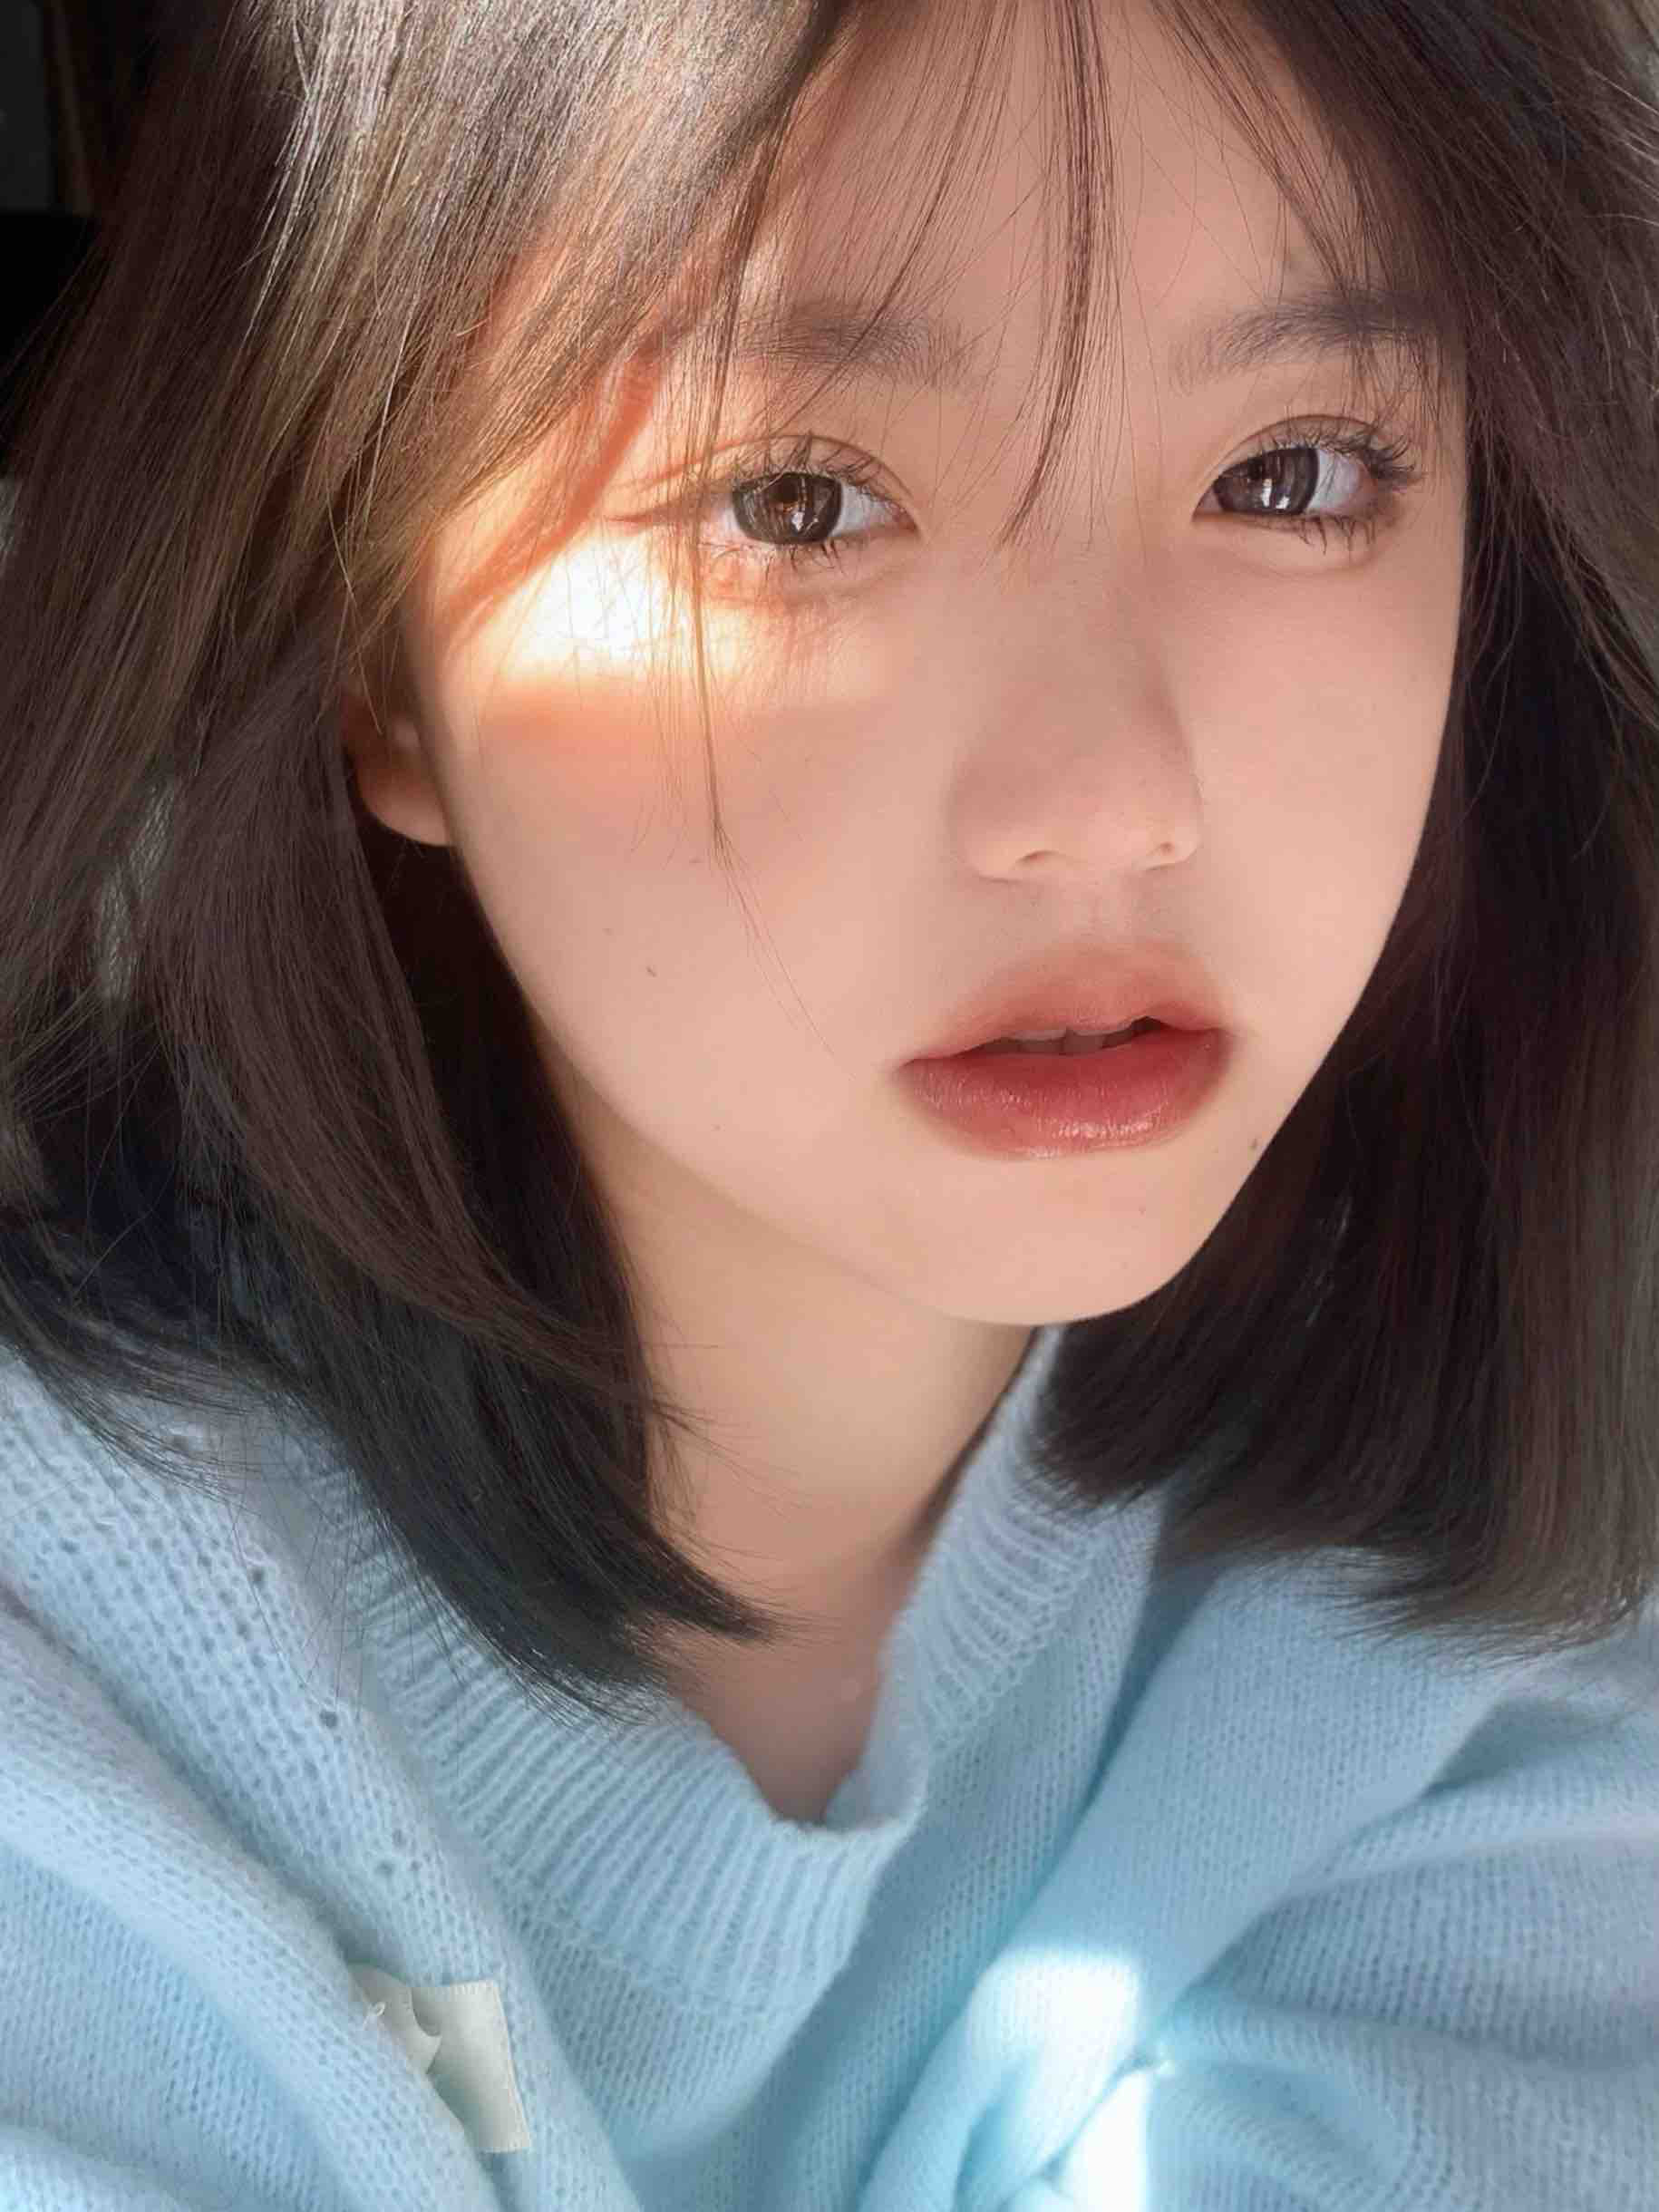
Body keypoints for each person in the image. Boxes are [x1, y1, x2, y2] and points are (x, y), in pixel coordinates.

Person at [0, 0, 1654, 2205]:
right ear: (377, 640)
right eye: (799, 501)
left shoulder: (1485, 1634)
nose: (1111, 801)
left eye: (1294, 473)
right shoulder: (72, 1678)